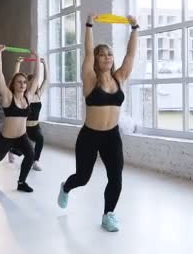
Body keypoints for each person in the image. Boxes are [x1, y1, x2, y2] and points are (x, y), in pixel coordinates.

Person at [57, 14, 138, 232]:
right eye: (102, 55)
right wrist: (89, 25)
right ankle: (66, 187)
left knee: (116, 177)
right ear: (96, 59)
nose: (107, 57)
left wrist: (135, 28)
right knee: (83, 178)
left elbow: (131, 55)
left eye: (109, 54)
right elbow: (87, 52)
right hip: (90, 136)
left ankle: (108, 214)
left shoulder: (120, 77)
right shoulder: (90, 79)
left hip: (112, 136)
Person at [0, 45, 40, 192]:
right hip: (5, 139)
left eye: (24, 82)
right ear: (13, 84)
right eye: (19, 82)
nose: (22, 84)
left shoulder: (28, 97)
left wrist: (37, 57)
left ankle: (21, 182)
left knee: (31, 154)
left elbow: (37, 78)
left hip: (21, 137)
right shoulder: (8, 98)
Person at [8, 57, 48, 171]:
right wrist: (17, 63)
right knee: (24, 149)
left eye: (35, 83)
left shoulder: (39, 94)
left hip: (35, 126)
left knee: (40, 139)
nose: (34, 85)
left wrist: (44, 64)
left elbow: (46, 79)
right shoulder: (23, 96)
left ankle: (36, 161)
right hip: (24, 127)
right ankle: (12, 151)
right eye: (30, 83)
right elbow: (13, 79)